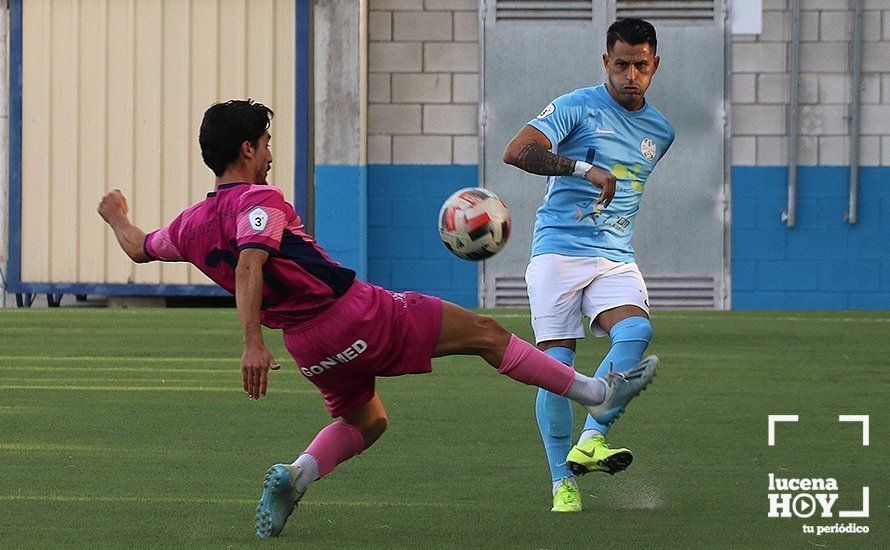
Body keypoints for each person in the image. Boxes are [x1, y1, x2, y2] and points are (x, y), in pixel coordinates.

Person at [97, 99, 658, 538]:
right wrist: (248, 343)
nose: (270, 153)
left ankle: (296, 477)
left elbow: (140, 247)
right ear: (246, 149)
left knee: (367, 422)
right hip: (353, 314)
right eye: (266, 143)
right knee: (486, 335)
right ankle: (593, 393)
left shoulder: (192, 224)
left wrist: (116, 216)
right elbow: (251, 259)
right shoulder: (258, 199)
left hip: (308, 345)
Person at [502, 18, 675, 513]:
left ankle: (593, 436)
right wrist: (581, 167)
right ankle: (563, 482)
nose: (630, 75)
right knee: (556, 370)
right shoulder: (576, 105)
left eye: (640, 66)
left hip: (614, 257)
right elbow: (516, 151)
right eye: (620, 64)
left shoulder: (661, 132)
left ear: (654, 66)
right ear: (606, 62)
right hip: (556, 252)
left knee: (636, 332)